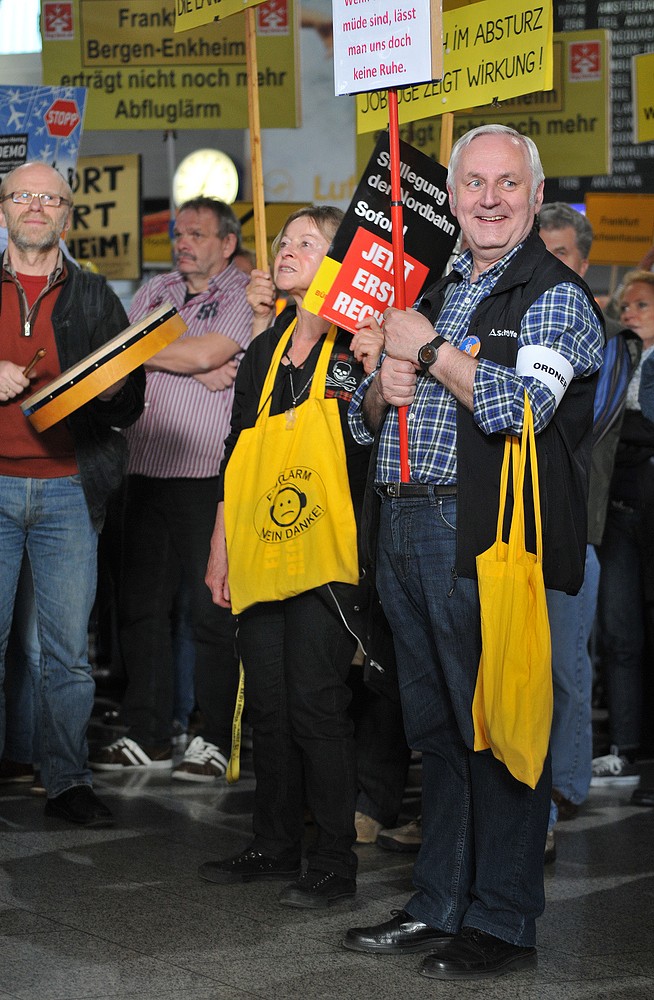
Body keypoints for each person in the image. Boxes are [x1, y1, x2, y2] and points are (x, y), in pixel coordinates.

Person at [343, 125, 603, 980]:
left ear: (533, 196)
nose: (489, 199)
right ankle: (438, 903)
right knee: (439, 733)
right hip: (406, 525)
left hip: (484, 537)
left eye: (507, 184)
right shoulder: (436, 285)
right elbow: (367, 425)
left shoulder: (555, 294)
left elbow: (524, 410)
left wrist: (426, 349)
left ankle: (501, 920)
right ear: (450, 198)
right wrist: (381, 394)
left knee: (499, 730)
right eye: (474, 184)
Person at [198, 206, 383, 908]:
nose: (287, 249)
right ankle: (273, 844)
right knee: (268, 706)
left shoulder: (351, 343)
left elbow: (370, 438)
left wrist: (373, 365)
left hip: (329, 552)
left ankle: (334, 863)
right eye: (283, 240)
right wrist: (220, 544)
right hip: (263, 543)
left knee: (316, 704)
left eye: (309, 242)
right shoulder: (270, 346)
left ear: (340, 262)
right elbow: (235, 452)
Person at [0, 161, 145, 827]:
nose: (36, 207)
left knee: (66, 653)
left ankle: (66, 780)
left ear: (67, 217)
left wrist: (114, 390)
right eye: (23, 196)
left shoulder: (95, 296)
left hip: (68, 494)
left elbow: (129, 402)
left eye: (51, 198)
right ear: (1, 213)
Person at [90, 197, 253, 781]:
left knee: (212, 613)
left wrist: (155, 353)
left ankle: (212, 738)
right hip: (143, 468)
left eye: (197, 234)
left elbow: (209, 352)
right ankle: (148, 733)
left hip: (208, 474)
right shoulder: (156, 291)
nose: (182, 243)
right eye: (178, 234)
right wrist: (181, 362)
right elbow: (115, 356)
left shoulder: (243, 293)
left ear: (227, 243)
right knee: (141, 611)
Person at [537, 205, 640, 846]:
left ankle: (560, 793)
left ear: (585, 262)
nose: (551, 268)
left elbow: (569, 424)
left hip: (575, 532)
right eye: (540, 255)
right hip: (509, 527)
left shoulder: (607, 343)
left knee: (565, 671)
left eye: (563, 256)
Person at [592, 270, 654, 784]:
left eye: (641, 306)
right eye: (625, 305)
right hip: (615, 509)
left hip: (645, 510)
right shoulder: (618, 355)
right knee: (618, 635)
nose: (628, 312)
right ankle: (624, 744)